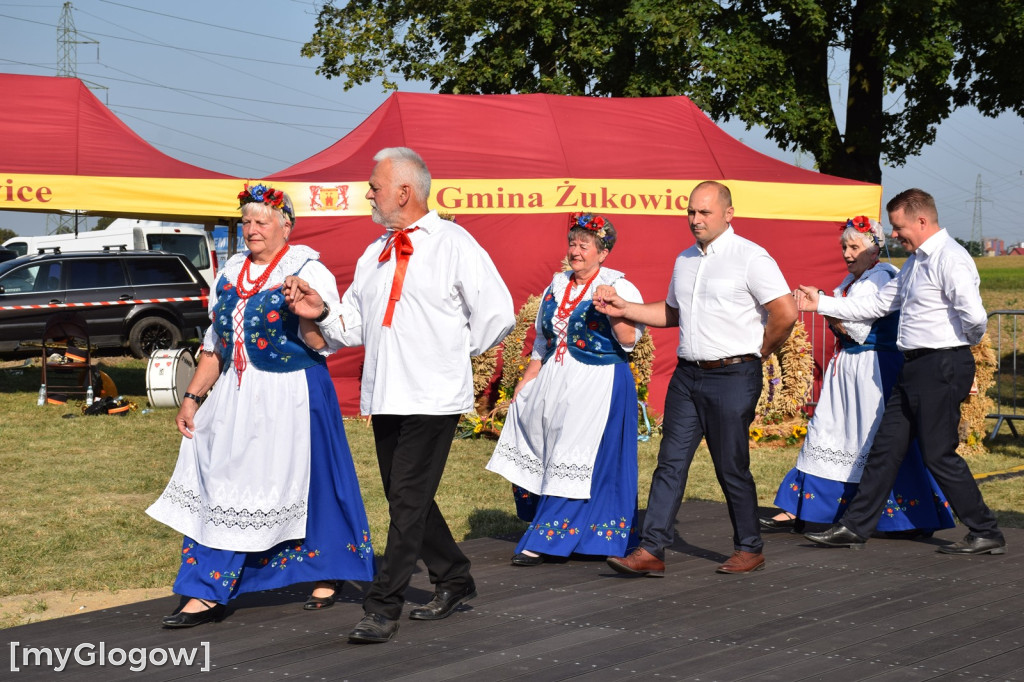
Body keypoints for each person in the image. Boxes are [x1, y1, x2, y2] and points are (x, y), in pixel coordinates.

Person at [284, 147, 515, 644]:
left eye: (375, 184)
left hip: (432, 398)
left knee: (406, 501)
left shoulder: (454, 243)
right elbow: (353, 325)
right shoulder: (376, 253)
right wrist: (319, 310)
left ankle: (382, 605)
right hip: (387, 394)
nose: (369, 192)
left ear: (404, 192)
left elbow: (497, 313)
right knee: (405, 496)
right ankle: (454, 577)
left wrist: (453, 356)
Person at [146, 183, 376, 628]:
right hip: (235, 394)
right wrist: (192, 398)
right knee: (223, 485)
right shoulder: (229, 273)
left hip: (293, 391)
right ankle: (206, 587)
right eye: (246, 221)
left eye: (261, 220)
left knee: (314, 483)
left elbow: (331, 338)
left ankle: (328, 570)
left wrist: (308, 309)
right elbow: (215, 347)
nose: (251, 229)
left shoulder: (306, 268)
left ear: (285, 225)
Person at [593, 180, 797, 576]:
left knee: (730, 465)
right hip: (688, 375)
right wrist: (625, 307)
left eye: (704, 212)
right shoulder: (684, 259)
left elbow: (785, 311)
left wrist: (762, 351)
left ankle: (750, 547)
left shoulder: (751, 257)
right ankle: (651, 549)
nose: (695, 219)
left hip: (734, 374)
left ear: (728, 214)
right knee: (670, 463)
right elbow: (672, 314)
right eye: (691, 211)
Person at [798, 188, 1005, 555]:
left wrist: (955, 350)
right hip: (914, 367)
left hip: (940, 364)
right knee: (885, 448)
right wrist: (822, 303)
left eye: (898, 227)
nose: (894, 235)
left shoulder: (950, 259)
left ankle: (985, 528)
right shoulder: (915, 263)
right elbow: (880, 303)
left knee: (938, 454)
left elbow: (974, 319)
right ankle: (854, 527)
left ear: (921, 221)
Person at [761, 217, 955, 535]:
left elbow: (856, 328)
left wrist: (823, 302)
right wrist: (830, 303)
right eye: (844, 247)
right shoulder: (853, 282)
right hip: (849, 370)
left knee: (872, 441)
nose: (848, 253)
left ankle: (904, 516)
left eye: (855, 247)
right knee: (828, 433)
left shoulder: (881, 277)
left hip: (874, 371)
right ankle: (799, 507)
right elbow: (845, 319)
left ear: (875, 249)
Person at [485, 213, 644, 566]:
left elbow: (631, 341)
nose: (575, 251)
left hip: (598, 381)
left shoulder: (620, 286)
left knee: (576, 455)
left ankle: (547, 538)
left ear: (603, 253)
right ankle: (587, 538)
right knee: (553, 448)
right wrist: (527, 381)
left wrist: (614, 310)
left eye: (584, 245)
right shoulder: (556, 286)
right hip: (556, 381)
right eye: (572, 243)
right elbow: (543, 341)